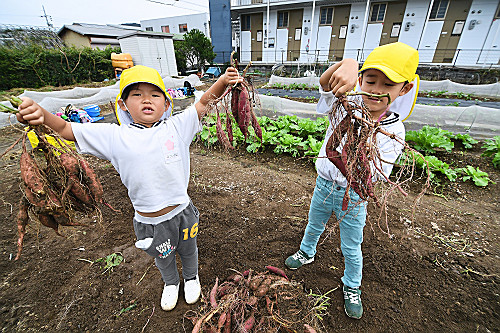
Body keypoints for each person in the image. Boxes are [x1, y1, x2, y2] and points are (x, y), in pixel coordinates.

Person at [16, 65, 243, 312]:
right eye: (136, 94)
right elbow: (66, 130)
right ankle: (170, 283)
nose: (147, 99)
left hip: (182, 213)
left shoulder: (177, 127)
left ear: (167, 104)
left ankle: (191, 278)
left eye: (155, 95)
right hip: (149, 220)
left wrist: (222, 81)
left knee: (189, 250)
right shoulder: (115, 137)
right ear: (123, 105)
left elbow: (203, 103)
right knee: (162, 256)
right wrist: (40, 113)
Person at [284, 42, 419, 319]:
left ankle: (352, 286)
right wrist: (348, 61)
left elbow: (368, 175)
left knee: (351, 245)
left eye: (387, 85)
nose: (376, 90)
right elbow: (324, 84)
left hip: (354, 196)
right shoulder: (347, 103)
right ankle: (306, 252)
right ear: (360, 79)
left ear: (403, 89)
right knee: (314, 225)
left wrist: (363, 140)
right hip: (324, 184)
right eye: (370, 80)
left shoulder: (394, 130)